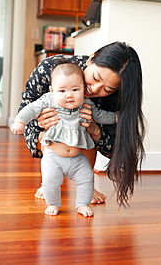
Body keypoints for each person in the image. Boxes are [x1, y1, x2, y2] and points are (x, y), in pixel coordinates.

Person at [19, 41, 145, 207]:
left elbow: (116, 149)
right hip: (51, 138)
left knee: (87, 132)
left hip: (81, 144)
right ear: (91, 59)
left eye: (107, 89)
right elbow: (25, 109)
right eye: (94, 78)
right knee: (46, 139)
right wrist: (40, 120)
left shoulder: (115, 99)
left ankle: (87, 186)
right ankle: (47, 183)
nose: (94, 89)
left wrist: (95, 131)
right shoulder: (53, 69)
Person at [10, 63, 116, 217]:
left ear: (83, 89)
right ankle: (53, 204)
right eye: (62, 90)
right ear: (52, 91)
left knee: (87, 179)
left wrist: (116, 117)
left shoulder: (86, 104)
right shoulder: (48, 100)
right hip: (53, 157)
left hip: (78, 158)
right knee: (50, 181)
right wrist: (20, 122)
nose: (69, 95)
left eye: (75, 89)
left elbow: (101, 115)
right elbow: (31, 109)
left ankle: (82, 204)